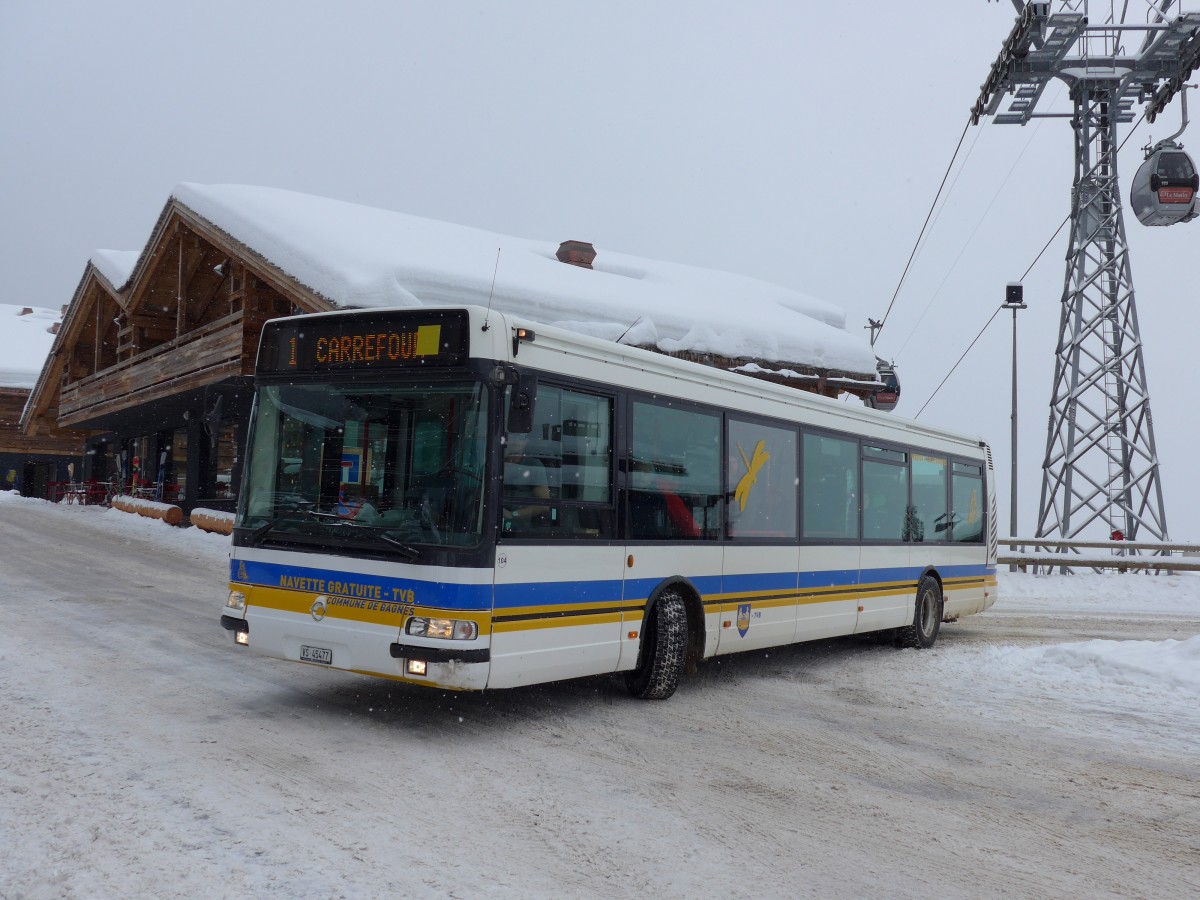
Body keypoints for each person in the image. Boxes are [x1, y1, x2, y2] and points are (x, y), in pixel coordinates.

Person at [502, 432, 550, 530]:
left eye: (520, 437)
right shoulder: (495, 465)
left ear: (526, 441)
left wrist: (512, 514)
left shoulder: (533, 465)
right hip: (491, 527)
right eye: (512, 436)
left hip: (523, 532)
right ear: (506, 440)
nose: (516, 441)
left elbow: (543, 504)